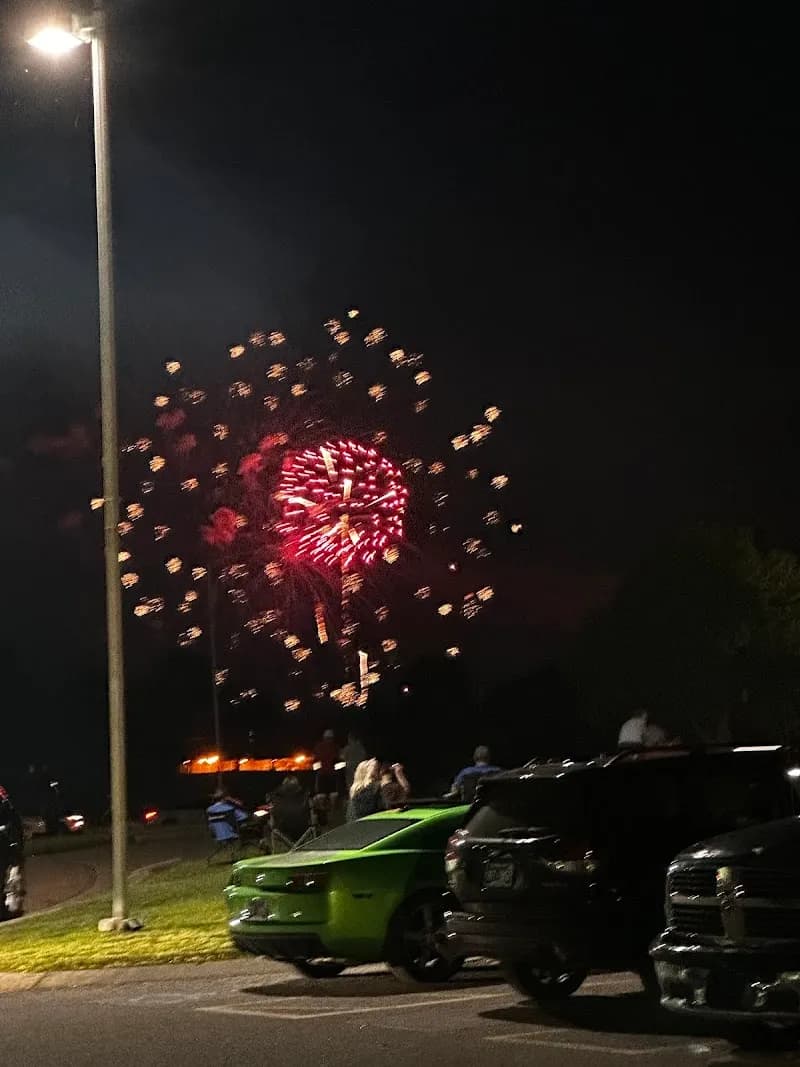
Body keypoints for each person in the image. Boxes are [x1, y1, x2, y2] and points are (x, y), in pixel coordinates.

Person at [314, 729, 341, 804]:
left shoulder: (318, 746)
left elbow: (316, 760)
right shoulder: (335, 747)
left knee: (321, 794)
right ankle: (333, 809)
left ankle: (322, 810)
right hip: (332, 774)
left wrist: (317, 771)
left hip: (322, 774)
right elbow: (338, 760)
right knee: (333, 793)